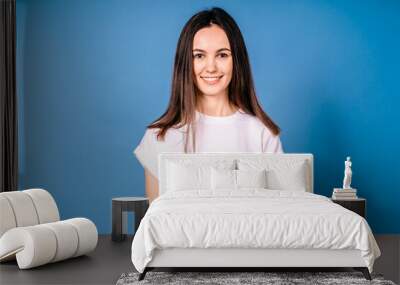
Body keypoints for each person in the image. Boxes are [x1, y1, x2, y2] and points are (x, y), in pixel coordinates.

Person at [134, 7, 283, 203]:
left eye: (222, 55)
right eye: (199, 55)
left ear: (236, 60)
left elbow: (276, 213)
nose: (211, 67)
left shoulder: (263, 133)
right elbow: (158, 220)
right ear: (186, 62)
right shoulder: (159, 136)